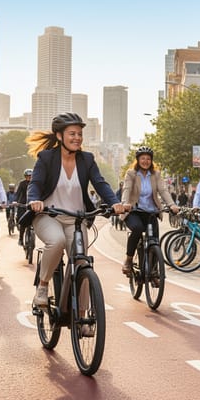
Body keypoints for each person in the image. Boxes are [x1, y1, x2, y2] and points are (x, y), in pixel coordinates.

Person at [25, 113, 126, 311]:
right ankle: (43, 286)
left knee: (81, 262)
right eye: (72, 134)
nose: (77, 138)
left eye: (80, 134)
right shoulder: (46, 158)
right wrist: (34, 200)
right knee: (57, 241)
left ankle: (82, 314)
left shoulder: (87, 159)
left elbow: (100, 183)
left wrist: (115, 203)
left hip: (76, 219)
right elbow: (35, 183)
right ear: (59, 136)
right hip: (49, 216)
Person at [119, 146, 179, 275]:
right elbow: (127, 189)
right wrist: (125, 204)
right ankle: (129, 259)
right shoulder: (131, 174)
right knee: (137, 228)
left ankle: (154, 272)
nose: (145, 161)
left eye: (148, 159)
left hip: (151, 212)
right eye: (143, 158)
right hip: (134, 211)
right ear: (138, 160)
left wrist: (172, 205)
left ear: (151, 161)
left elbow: (163, 191)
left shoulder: (156, 175)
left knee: (154, 241)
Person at [15, 168, 33, 246]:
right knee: (22, 222)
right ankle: (20, 239)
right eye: (27, 176)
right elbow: (18, 193)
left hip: (32, 204)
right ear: (25, 176)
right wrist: (15, 201)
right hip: (23, 204)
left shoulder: (35, 183)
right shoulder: (22, 183)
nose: (29, 177)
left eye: (30, 176)